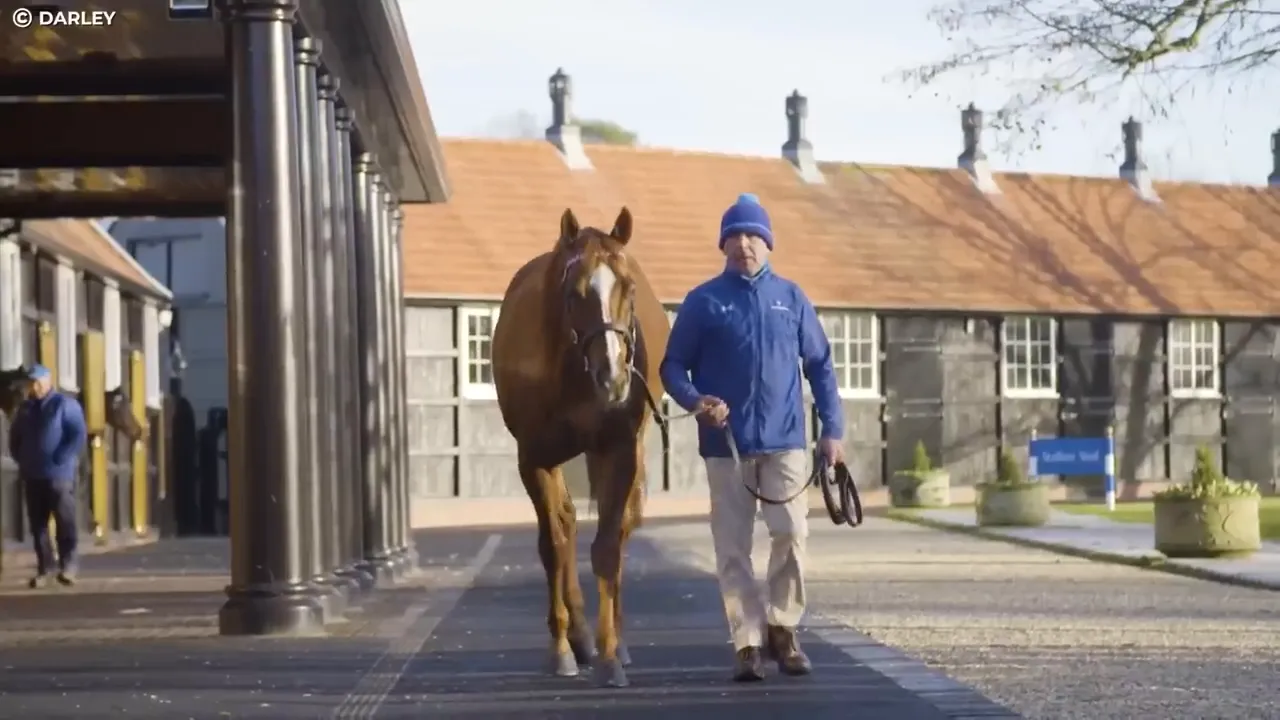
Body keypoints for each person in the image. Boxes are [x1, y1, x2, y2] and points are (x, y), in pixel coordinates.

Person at [659, 193, 845, 683]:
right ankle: (747, 640)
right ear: (723, 245)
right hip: (726, 446)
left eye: (754, 236)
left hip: (785, 441)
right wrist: (696, 400)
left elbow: (821, 367)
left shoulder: (792, 298)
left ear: (768, 243)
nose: (745, 244)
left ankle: (784, 627)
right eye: (735, 236)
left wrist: (833, 431)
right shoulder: (704, 301)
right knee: (732, 547)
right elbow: (672, 366)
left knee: (791, 533)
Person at [7, 364, 87, 588]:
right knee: (38, 525)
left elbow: (77, 433)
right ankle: (46, 567)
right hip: (33, 474)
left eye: (37, 382)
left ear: (47, 381)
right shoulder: (25, 409)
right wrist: (21, 457)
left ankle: (69, 565)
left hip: (59, 475)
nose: (34, 387)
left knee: (65, 520)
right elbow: (15, 436)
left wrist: (63, 456)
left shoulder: (64, 405)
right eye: (31, 383)